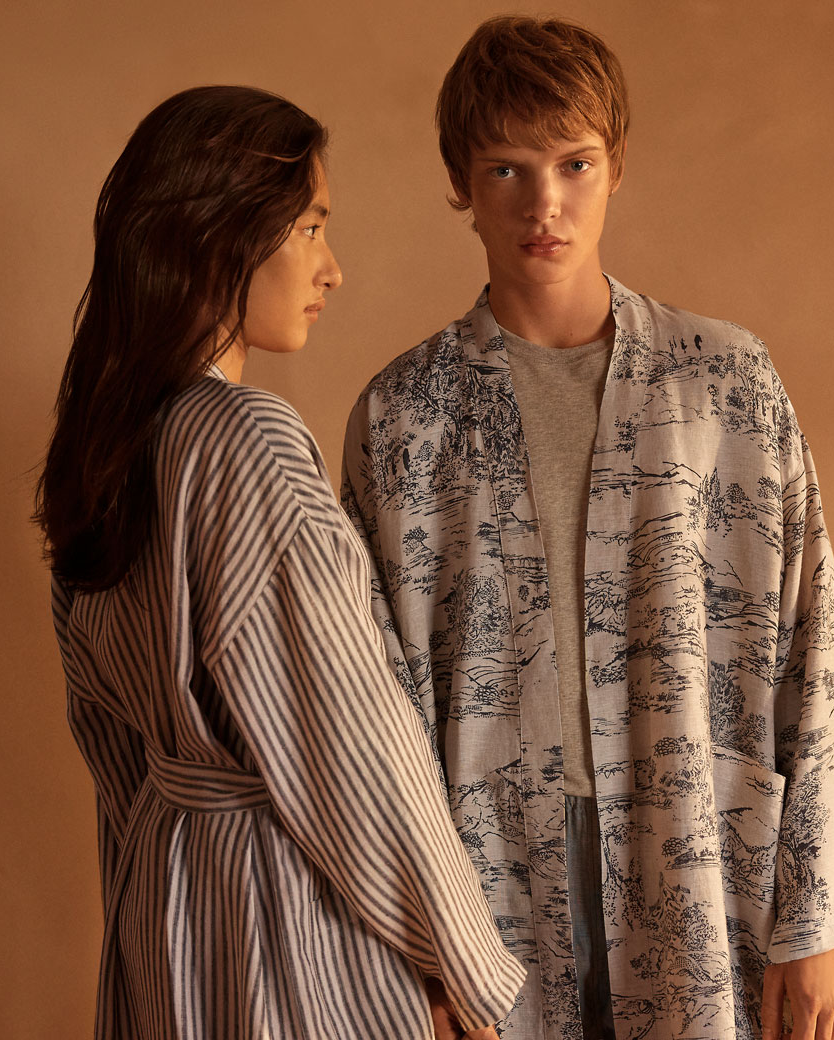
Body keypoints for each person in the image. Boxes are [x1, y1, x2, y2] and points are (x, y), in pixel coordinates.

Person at [340, 19, 834, 1040]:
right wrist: (414, 942)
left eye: (573, 164)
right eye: (505, 169)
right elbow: (369, 709)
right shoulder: (404, 415)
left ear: (616, 166)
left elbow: (811, 642)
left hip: (695, 851)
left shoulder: (724, 382)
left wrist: (812, 916)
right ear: (459, 181)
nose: (543, 203)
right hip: (485, 881)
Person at [35, 85, 525, 1040]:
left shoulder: (106, 451)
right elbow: (351, 734)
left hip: (166, 912)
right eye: (309, 227)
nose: (330, 269)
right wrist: (461, 962)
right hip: (292, 924)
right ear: (223, 234)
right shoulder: (245, 440)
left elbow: (114, 754)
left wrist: (144, 934)